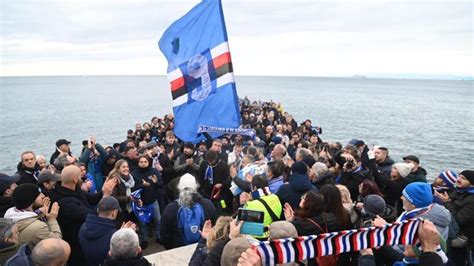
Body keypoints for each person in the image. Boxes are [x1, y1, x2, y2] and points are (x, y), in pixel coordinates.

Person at [49, 165, 116, 266]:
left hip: (83, 234)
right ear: (75, 180)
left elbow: (91, 199)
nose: (82, 178)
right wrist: (106, 196)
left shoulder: (74, 189)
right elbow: (91, 215)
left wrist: (103, 191)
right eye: (80, 176)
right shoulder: (65, 203)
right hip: (75, 242)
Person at [160, 174, 217, 250]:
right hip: (203, 248)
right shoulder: (207, 204)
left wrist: (171, 249)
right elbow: (215, 228)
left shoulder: (170, 208)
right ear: (196, 187)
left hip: (178, 250)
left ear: (179, 188)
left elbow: (164, 235)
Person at [78, 196, 136, 266]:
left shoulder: (83, 227)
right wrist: (124, 235)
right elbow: (121, 257)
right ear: (113, 213)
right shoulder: (113, 236)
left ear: (98, 210)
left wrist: (119, 233)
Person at [436, 170, 474, 265]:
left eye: (463, 178)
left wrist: (446, 202)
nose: (459, 179)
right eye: (459, 176)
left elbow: (458, 220)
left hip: (461, 237)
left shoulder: (471, 200)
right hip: (449, 234)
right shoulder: (457, 191)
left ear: (472, 184)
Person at [131, 155, 163, 247]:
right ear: (138, 163)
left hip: (153, 200)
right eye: (141, 162)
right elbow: (132, 189)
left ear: (148, 162)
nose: (143, 163)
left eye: (145, 161)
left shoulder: (153, 171)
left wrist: (156, 182)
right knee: (142, 222)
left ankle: (159, 236)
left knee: (158, 219)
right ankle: (144, 239)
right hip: (140, 202)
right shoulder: (134, 174)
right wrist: (142, 185)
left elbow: (161, 184)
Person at [240, 175, 283, 240]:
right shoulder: (275, 197)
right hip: (273, 234)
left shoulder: (252, 205)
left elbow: (244, 226)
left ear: (254, 188)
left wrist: (242, 204)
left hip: (258, 237)